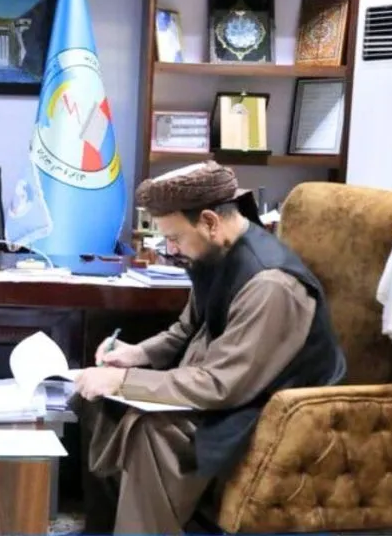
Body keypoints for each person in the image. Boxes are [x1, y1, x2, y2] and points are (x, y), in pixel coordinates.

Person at [72, 161, 346, 534]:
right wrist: (136, 354)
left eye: (174, 237)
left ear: (209, 222)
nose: (169, 249)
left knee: (151, 428)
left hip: (270, 410)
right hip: (228, 387)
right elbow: (189, 328)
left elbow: (221, 384)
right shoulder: (213, 253)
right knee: (98, 402)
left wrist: (124, 381)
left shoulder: (271, 285)